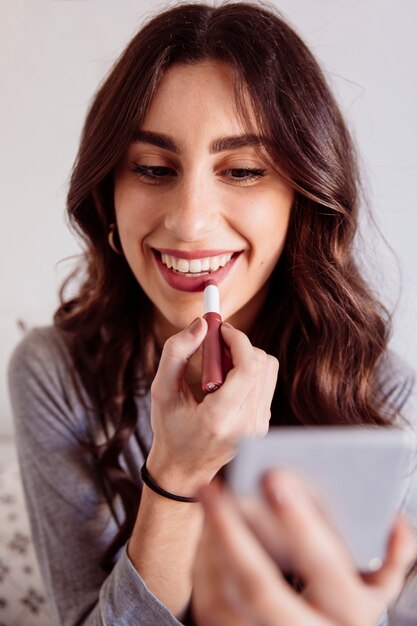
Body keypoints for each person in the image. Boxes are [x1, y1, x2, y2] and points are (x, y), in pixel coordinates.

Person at [7, 2, 416, 625]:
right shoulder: (58, 373)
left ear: (302, 201)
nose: (190, 221)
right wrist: (176, 474)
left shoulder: (380, 395)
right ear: (107, 193)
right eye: (152, 168)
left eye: (245, 170)